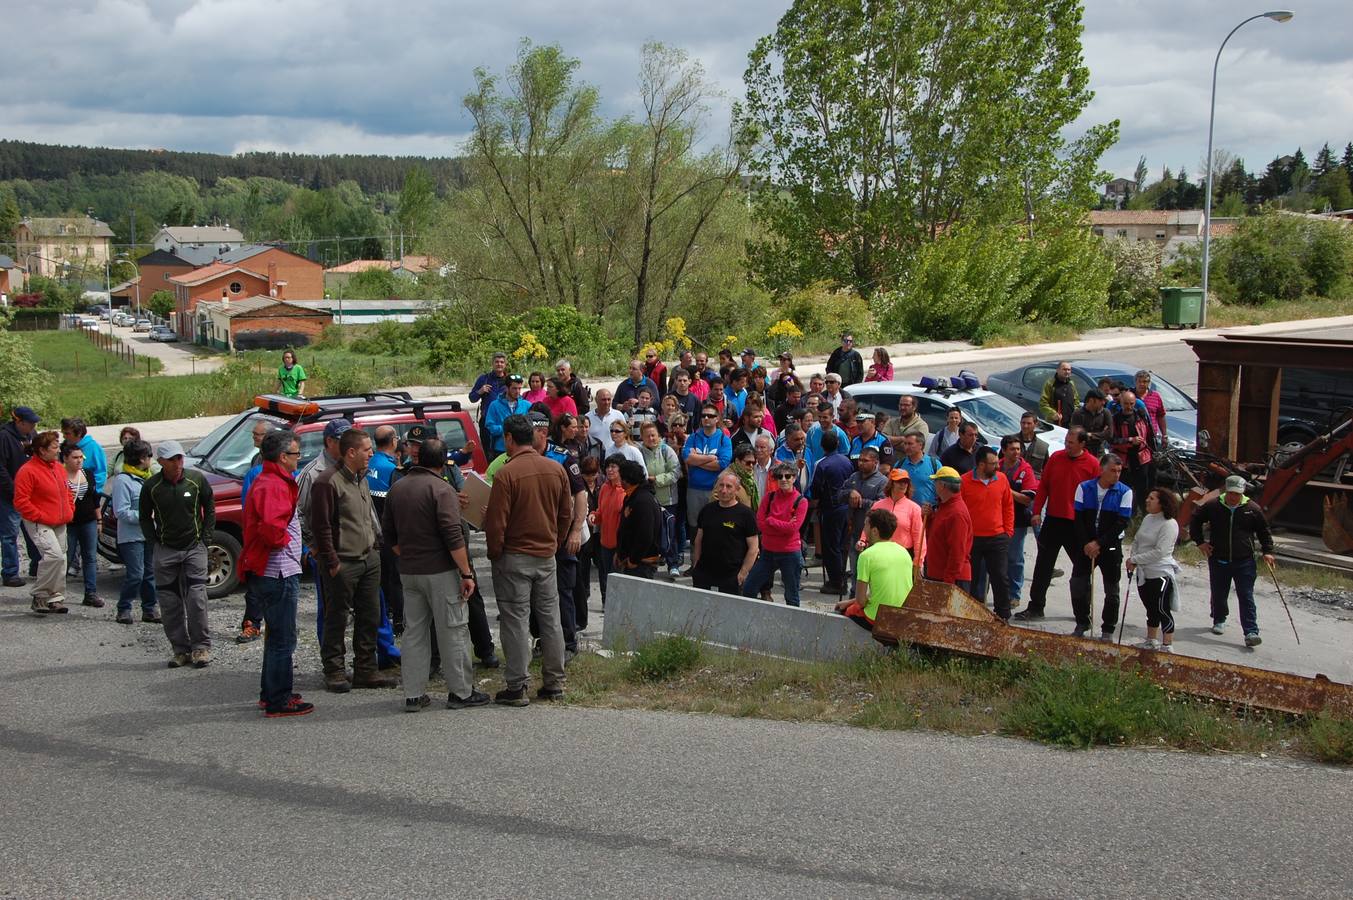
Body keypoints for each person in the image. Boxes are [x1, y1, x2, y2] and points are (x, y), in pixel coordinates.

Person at [383, 436, 489, 712]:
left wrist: (407, 555)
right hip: (440, 571)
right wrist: (467, 572)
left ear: (418, 459)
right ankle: (461, 691)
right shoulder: (442, 491)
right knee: (452, 630)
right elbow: (453, 537)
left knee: (414, 632)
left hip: (409, 570)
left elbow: (389, 535)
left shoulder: (398, 488)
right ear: (443, 462)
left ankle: (414, 694)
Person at [484, 414, 574, 706]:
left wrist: (495, 552)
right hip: (545, 556)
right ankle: (554, 682)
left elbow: (496, 522)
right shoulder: (555, 469)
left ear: (509, 438)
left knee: (515, 622)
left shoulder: (506, 474)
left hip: (514, 557)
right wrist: (554, 543)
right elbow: (565, 514)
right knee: (551, 621)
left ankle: (517, 685)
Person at [310, 429, 397, 692]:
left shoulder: (362, 478)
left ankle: (365, 670)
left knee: (370, 615)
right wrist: (332, 561)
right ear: (351, 452)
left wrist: (377, 547)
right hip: (343, 561)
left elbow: (368, 516)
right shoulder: (327, 482)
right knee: (336, 617)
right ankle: (334, 670)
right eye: (366, 449)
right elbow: (321, 526)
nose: (371, 453)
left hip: (368, 558)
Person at [240, 429, 314, 717]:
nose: (299, 459)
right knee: (283, 638)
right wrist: (286, 543)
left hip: (275, 570)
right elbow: (272, 528)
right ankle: (278, 699)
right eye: (296, 454)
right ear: (283, 457)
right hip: (278, 571)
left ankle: (271, 691)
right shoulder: (273, 484)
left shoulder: (272, 479)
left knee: (277, 637)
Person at [140, 440, 215, 668]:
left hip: (194, 547)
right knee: (170, 602)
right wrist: (154, 542)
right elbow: (144, 516)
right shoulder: (152, 486)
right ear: (161, 461)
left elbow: (209, 507)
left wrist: (205, 540)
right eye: (172, 459)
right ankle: (180, 649)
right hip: (166, 549)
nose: (177, 463)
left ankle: (201, 648)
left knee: (196, 599)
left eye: (180, 458)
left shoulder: (196, 479)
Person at [1016, 427, 1101, 622]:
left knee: (1081, 568)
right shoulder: (1056, 458)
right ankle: (1036, 606)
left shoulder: (1092, 464)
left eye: (1071, 443)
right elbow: (1043, 486)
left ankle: (1083, 611)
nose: (1067, 446)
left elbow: (1096, 495)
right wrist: (1037, 512)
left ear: (1082, 444)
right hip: (1054, 519)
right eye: (1066, 442)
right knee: (1043, 566)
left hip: (1077, 523)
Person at [1190, 474, 1275, 648]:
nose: (1233, 497)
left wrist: (1268, 551)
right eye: (1230, 493)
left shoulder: (1252, 508)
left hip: (1244, 560)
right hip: (1218, 558)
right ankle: (1219, 619)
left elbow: (1264, 531)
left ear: (1242, 493)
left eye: (1237, 494)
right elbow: (1196, 520)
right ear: (1225, 491)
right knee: (1219, 592)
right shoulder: (1213, 505)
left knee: (1246, 595)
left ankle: (1251, 631)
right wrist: (1200, 542)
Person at [1071, 453, 1133, 639]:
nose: (1116, 475)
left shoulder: (1125, 492)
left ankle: (1108, 629)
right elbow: (1078, 519)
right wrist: (1087, 544)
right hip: (1086, 544)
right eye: (1113, 470)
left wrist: (1099, 543)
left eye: (1119, 471)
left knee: (1111, 589)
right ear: (1101, 470)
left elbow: (1121, 523)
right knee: (1078, 583)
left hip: (1110, 545)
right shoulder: (1084, 488)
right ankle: (1082, 621)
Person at [13, 430, 73, 614]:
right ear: (42, 450)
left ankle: (55, 597)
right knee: (53, 556)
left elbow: (67, 492)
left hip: (60, 520)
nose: (58, 450)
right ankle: (40, 595)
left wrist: (70, 509)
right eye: (54, 447)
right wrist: (40, 515)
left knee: (61, 558)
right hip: (40, 522)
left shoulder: (58, 468)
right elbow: (20, 501)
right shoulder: (27, 471)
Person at [960, 447, 1015, 620]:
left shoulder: (1002, 479)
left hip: (997, 537)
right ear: (981, 465)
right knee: (972, 578)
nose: (997, 466)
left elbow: (1008, 505)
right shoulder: (964, 481)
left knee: (1000, 577)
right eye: (993, 464)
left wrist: (1008, 531)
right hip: (973, 538)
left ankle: (1003, 615)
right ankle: (972, 614)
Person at [837, 508, 914, 631]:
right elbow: (880, 591)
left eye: (865, 525)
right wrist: (850, 601)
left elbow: (861, 601)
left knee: (847, 612)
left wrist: (850, 604)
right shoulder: (904, 552)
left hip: (878, 618)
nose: (864, 530)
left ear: (874, 531)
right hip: (902, 616)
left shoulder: (866, 556)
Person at [109, 439, 159, 625]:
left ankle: (149, 609)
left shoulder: (148, 478)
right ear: (141, 458)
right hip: (131, 537)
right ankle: (124, 608)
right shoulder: (123, 481)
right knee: (135, 574)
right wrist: (145, 515)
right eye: (149, 456)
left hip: (149, 535)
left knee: (150, 573)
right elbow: (120, 511)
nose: (150, 460)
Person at [742, 463, 808, 605]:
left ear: (794, 478)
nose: (783, 479)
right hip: (768, 552)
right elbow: (760, 524)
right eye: (779, 476)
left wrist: (771, 520)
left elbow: (793, 528)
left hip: (790, 553)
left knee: (792, 595)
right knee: (749, 588)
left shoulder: (801, 501)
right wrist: (782, 526)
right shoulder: (769, 497)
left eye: (787, 476)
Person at [1128, 488, 1181, 653]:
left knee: (1161, 608)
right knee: (1150, 607)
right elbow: (1137, 540)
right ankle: (1151, 640)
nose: (1147, 501)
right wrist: (1133, 557)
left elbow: (1160, 551)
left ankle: (1167, 644)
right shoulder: (1148, 518)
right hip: (1144, 571)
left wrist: (1135, 559)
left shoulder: (1169, 524)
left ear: (1162, 503)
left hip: (1160, 572)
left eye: (1152, 498)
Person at [690, 471, 760, 594]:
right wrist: (696, 564)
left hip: (731, 575)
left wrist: (743, 572)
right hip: (704, 572)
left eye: (729, 486)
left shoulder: (746, 514)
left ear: (737, 490)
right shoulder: (707, 510)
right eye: (721, 485)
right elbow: (698, 540)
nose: (723, 490)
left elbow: (753, 548)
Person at [367, 425, 404, 635]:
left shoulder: (369, 463)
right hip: (390, 530)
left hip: (373, 531)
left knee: (381, 577)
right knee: (396, 578)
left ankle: (385, 613)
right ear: (393, 441)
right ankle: (399, 620)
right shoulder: (392, 469)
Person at [59, 441, 103, 608]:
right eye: (74, 457)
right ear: (65, 458)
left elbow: (94, 499)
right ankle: (57, 593)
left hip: (88, 521)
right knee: (66, 558)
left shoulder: (88, 473)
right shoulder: (59, 475)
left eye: (81, 457)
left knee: (90, 557)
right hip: (68, 523)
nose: (79, 461)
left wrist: (99, 520)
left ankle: (90, 593)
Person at [0, 406, 40, 587]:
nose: (33, 426)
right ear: (19, 422)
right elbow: (1, 469)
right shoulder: (4, 437)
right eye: (30, 423)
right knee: (10, 534)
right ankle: (10, 572)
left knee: (33, 532)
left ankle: (37, 565)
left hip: (30, 494)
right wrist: (14, 491)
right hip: (10, 496)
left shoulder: (31, 435)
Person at [998, 436, 1039, 611]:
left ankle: (1014, 594)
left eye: (1018, 449)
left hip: (1017, 521)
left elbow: (1027, 499)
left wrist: (1006, 490)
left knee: (1015, 559)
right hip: (996, 519)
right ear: (1004, 450)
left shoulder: (1025, 469)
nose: (1016, 452)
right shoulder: (996, 466)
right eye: (1013, 449)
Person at [811, 432, 854, 594]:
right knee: (843, 545)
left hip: (831, 508)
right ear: (837, 444)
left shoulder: (822, 464)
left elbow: (816, 487)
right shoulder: (846, 461)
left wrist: (816, 500)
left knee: (831, 546)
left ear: (822, 446)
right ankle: (841, 577)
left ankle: (837, 582)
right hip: (846, 507)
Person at [681, 404, 733, 538]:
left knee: (715, 525)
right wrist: (710, 457)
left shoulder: (724, 439)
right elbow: (687, 458)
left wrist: (696, 461)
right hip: (694, 489)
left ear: (717, 419)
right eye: (703, 415)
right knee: (694, 525)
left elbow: (722, 463)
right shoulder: (693, 438)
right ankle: (695, 557)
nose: (706, 418)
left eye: (710, 416)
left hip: (715, 490)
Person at [639, 422, 682, 578]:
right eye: (647, 436)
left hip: (668, 500)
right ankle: (652, 563)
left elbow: (675, 473)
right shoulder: (639, 452)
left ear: (658, 436)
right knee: (650, 533)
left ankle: (673, 564)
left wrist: (655, 479)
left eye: (653, 435)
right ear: (642, 437)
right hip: (649, 501)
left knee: (669, 532)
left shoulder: (666, 451)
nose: (651, 438)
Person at [841, 447, 887, 586]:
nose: (861, 463)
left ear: (875, 462)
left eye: (865, 460)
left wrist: (860, 502)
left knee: (870, 575)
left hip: (872, 537)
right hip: (854, 533)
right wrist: (850, 493)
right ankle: (853, 600)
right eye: (860, 460)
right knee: (856, 572)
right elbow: (839, 495)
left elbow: (882, 504)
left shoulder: (883, 481)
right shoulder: (854, 477)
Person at [613, 459, 663, 580]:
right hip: (629, 560)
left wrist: (633, 560)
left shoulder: (643, 501)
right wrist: (619, 553)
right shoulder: (632, 496)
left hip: (642, 564)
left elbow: (646, 535)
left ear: (626, 480)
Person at [1110, 387, 1155, 515]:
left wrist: (1152, 452)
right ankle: (1127, 513)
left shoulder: (1141, 415)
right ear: (1121, 403)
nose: (1129, 407)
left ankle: (1145, 514)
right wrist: (1130, 440)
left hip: (1142, 457)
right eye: (1126, 404)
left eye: (1131, 404)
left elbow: (1149, 435)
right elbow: (1112, 440)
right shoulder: (1116, 419)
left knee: (1142, 488)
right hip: (1124, 459)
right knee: (1125, 488)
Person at [923, 467, 972, 586]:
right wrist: (929, 518)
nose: (934, 485)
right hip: (939, 575)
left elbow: (957, 552)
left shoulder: (956, 513)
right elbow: (934, 537)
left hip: (950, 579)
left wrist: (948, 582)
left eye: (935, 482)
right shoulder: (944, 506)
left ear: (942, 486)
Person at [865, 467, 924, 561]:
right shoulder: (877, 505)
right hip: (879, 554)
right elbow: (868, 526)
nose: (903, 484)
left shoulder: (915, 508)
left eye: (905, 482)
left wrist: (919, 560)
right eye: (899, 481)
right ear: (891, 483)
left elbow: (919, 537)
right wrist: (863, 540)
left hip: (903, 556)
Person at [470, 351, 511, 450]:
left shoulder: (509, 380)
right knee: (487, 451)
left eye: (502, 362)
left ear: (505, 364)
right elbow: (472, 398)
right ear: (492, 363)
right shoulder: (483, 379)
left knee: (506, 449)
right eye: (496, 362)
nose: (499, 364)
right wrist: (480, 391)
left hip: (504, 421)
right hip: (487, 421)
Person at [485, 374, 531, 458]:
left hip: (521, 449)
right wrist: (507, 428)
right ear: (506, 388)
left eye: (519, 388)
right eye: (514, 388)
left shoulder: (527, 405)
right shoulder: (494, 405)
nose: (517, 391)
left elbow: (531, 426)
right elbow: (490, 427)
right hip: (501, 449)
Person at [897, 433, 940, 512]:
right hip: (903, 513)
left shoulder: (935, 464)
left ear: (920, 445)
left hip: (927, 515)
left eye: (910, 444)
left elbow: (942, 489)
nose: (906, 447)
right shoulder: (899, 465)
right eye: (905, 444)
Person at [1070, 389, 1112, 457]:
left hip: (1099, 451)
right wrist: (1100, 434)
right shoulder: (1078, 414)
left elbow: (1109, 434)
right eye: (1100, 401)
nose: (1103, 403)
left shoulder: (1105, 413)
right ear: (1091, 400)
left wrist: (1091, 435)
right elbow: (1077, 435)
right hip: (1082, 451)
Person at [1039, 360, 1078, 426]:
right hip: (1056, 424)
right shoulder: (1050, 384)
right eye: (1064, 369)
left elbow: (1076, 401)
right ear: (1057, 370)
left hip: (1070, 423)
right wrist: (1053, 414)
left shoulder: (1071, 383)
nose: (1067, 372)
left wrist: (1075, 413)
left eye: (1069, 370)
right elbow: (1043, 404)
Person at [1013, 412, 1050, 478]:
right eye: (1023, 423)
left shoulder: (1043, 447)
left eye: (1029, 423)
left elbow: (1047, 471)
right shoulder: (1010, 441)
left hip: (1032, 484)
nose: (1025, 426)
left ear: (1035, 424)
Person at [1135, 370, 1168, 445]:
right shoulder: (1130, 395)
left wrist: (1164, 435)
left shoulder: (1155, 396)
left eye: (1145, 381)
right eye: (1139, 381)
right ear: (1135, 382)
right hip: (1135, 437)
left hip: (1151, 437)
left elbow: (1161, 416)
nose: (1142, 384)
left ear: (1149, 383)